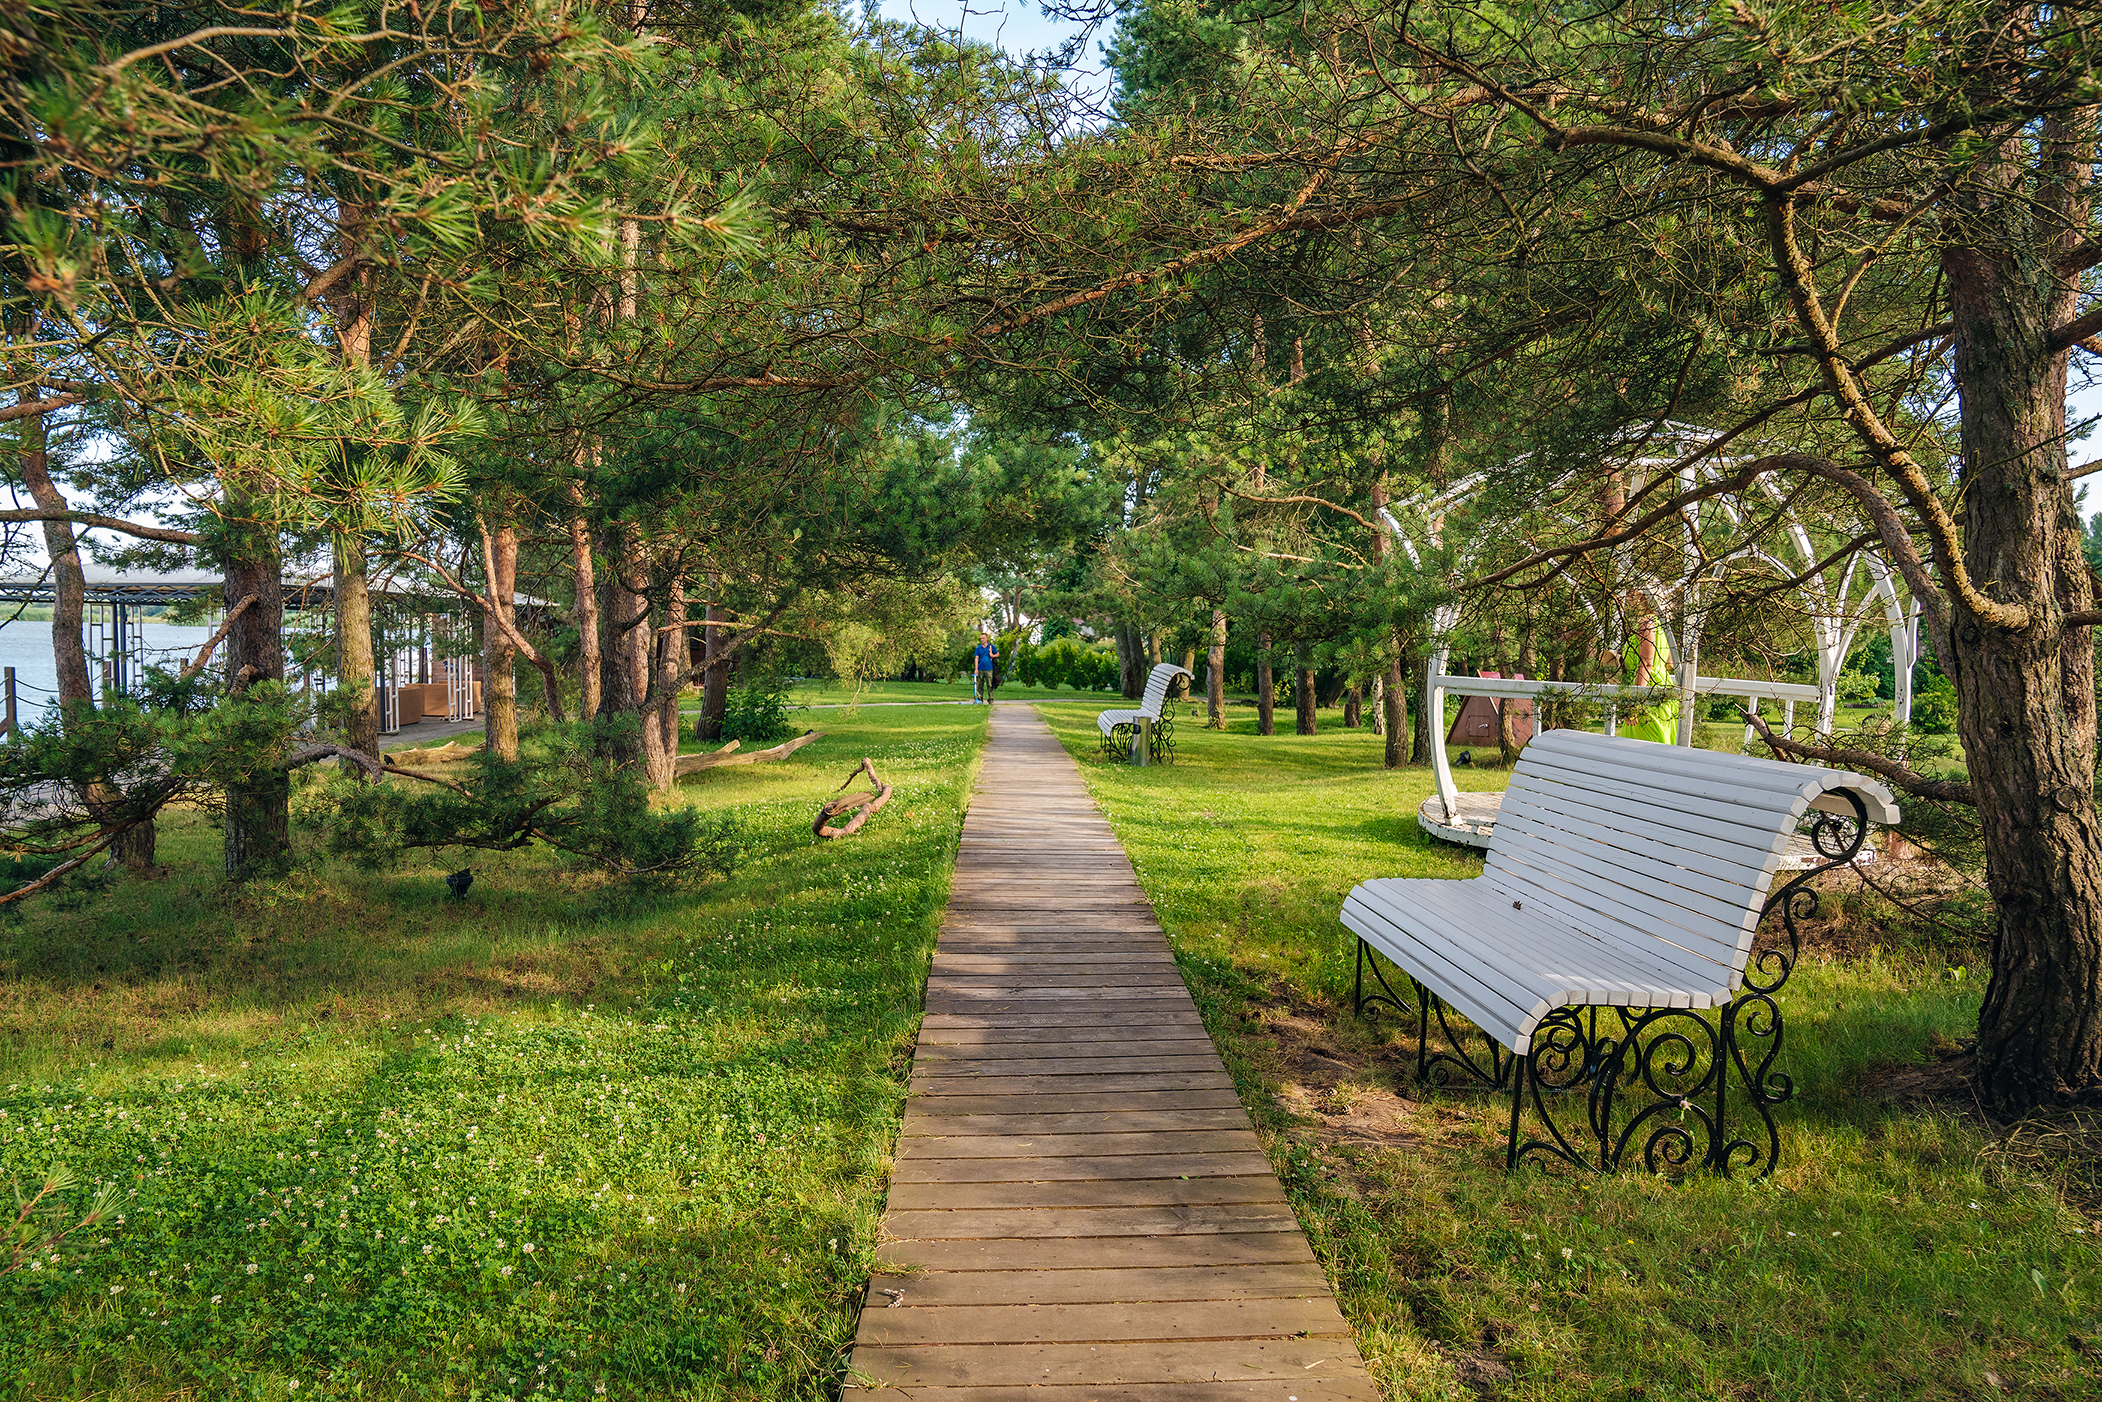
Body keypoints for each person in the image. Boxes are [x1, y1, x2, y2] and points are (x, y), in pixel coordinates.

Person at [972, 631, 998, 703]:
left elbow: (997, 654)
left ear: (987, 638)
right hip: (980, 669)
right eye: (981, 638)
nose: (982, 640)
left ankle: (991, 699)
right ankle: (980, 699)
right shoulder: (978, 648)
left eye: (983, 638)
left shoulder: (991, 646)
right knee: (980, 684)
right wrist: (976, 669)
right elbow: (976, 658)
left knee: (989, 685)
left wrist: (992, 655)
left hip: (989, 669)